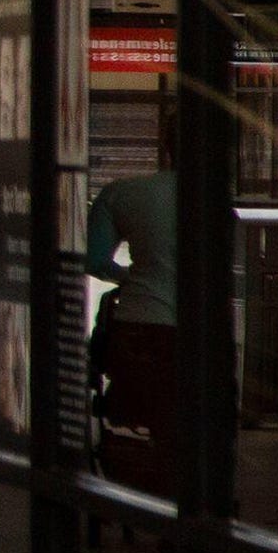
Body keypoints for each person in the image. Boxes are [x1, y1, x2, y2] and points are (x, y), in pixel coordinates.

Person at [89, 114, 179, 497]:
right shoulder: (216, 199)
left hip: (139, 327)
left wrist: (131, 277)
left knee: (145, 406)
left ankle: (144, 485)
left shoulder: (121, 194)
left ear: (165, 146)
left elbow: (93, 260)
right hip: (196, 330)